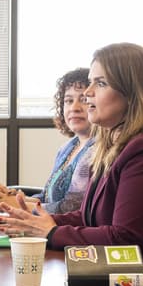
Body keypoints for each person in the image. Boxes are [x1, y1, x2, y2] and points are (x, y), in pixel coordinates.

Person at [0, 43, 143, 286]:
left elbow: (125, 239)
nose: (87, 93)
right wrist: (38, 223)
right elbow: (89, 216)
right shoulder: (112, 146)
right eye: (90, 82)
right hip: (127, 277)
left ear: (132, 94)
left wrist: (52, 232)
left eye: (100, 83)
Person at [40, 67, 96, 214]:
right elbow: (46, 197)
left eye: (83, 100)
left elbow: (72, 208)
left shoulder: (98, 149)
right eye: (69, 101)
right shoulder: (67, 148)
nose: (74, 108)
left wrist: (24, 207)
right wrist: (12, 198)